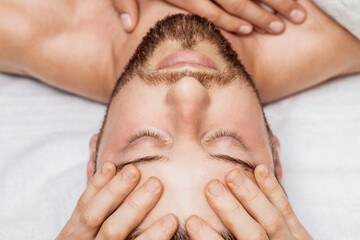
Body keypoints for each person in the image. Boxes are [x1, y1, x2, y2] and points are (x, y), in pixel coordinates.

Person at [57, 14, 313, 240]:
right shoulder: (327, 34)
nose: (187, 89)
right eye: (229, 143)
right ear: (275, 158)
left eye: (142, 142)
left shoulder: (50, 29)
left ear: (93, 161)